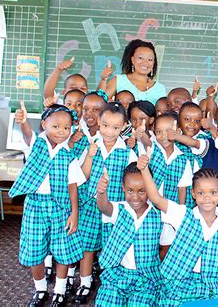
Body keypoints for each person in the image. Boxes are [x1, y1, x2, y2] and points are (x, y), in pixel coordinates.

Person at [9, 105, 85, 307]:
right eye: (56, 126)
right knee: (34, 250)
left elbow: (73, 187)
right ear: (44, 124)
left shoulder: (69, 154)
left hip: (61, 207)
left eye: (67, 128)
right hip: (35, 205)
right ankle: (40, 289)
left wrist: (74, 213)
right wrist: (24, 121)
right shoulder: (36, 143)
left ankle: (59, 291)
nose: (62, 131)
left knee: (63, 250)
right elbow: (27, 133)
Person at [137, 161, 218, 306]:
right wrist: (144, 170)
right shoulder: (183, 215)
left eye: (212, 192)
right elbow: (156, 199)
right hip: (178, 286)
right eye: (201, 193)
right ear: (193, 194)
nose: (207, 197)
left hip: (210, 289)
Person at [76, 102, 138, 304]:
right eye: (105, 125)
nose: (109, 132)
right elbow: (82, 176)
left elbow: (132, 181)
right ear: (99, 124)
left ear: (123, 127)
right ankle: (85, 283)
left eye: (115, 127)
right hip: (90, 206)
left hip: (115, 209)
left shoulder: (127, 152)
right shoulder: (90, 146)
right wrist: (90, 157)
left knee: (113, 248)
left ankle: (111, 283)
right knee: (88, 247)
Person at [95, 163, 170, 306]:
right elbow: (103, 206)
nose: (135, 197)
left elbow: (165, 248)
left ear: (150, 188)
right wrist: (101, 192)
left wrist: (151, 265)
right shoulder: (119, 209)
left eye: (142, 191)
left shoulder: (160, 216)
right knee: (106, 302)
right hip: (118, 274)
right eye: (130, 191)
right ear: (123, 187)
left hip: (146, 278)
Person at [148, 113, 193, 204]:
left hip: (170, 208)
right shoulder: (152, 151)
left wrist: (181, 209)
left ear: (178, 132)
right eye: (159, 132)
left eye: (168, 131)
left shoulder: (183, 160)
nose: (164, 135)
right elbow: (146, 141)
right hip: (149, 205)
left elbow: (182, 188)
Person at [103, 39, 166, 104]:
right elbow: (99, 102)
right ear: (132, 60)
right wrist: (103, 80)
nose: (145, 62)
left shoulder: (160, 88)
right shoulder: (118, 81)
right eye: (140, 58)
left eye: (150, 59)